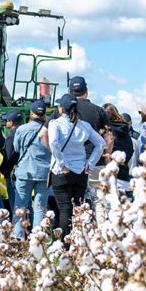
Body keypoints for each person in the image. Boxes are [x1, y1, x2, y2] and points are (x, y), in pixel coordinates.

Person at [40, 76, 111, 225]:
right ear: (87, 90)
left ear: (69, 91)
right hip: (89, 166)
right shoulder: (98, 111)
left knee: (65, 208)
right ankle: (97, 234)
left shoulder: (57, 118)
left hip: (64, 168)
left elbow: (45, 136)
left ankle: (66, 242)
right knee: (93, 204)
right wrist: (97, 160)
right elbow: (107, 140)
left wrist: (57, 157)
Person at [48, 94, 106, 240]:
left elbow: (54, 143)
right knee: (78, 208)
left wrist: (62, 163)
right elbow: (101, 144)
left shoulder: (56, 124)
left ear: (61, 108)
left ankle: (65, 244)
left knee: (64, 209)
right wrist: (90, 163)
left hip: (61, 171)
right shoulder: (84, 125)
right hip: (81, 171)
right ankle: (79, 241)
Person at [12, 101, 51, 238]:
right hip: (44, 172)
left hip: (25, 171)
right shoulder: (49, 129)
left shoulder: (22, 129)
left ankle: (18, 236)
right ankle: (37, 238)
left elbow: (16, 148)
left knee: (20, 206)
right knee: (40, 207)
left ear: (32, 113)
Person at [102, 103, 134, 193]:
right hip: (123, 171)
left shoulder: (105, 131)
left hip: (107, 171)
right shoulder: (124, 129)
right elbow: (130, 150)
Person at [0, 110, 23, 216]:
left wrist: (3, 169)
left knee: (15, 205)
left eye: (7, 120)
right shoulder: (23, 132)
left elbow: (8, 156)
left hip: (12, 173)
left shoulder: (11, 136)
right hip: (22, 171)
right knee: (25, 204)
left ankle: (17, 228)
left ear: (12, 122)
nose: (5, 122)